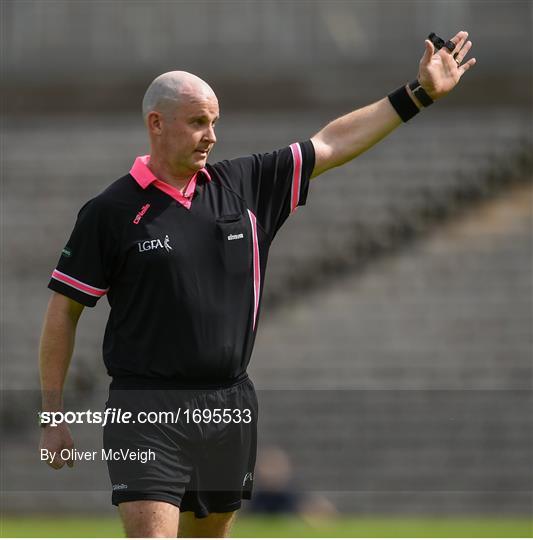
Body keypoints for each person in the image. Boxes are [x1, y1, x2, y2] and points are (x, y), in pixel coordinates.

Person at [39, 31, 476, 538]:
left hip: (229, 403)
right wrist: (53, 412)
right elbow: (62, 312)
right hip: (146, 405)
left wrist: (417, 94)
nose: (212, 135)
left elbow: (331, 143)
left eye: (215, 123)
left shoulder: (244, 186)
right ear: (156, 124)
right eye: (198, 122)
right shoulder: (110, 212)